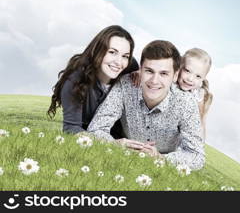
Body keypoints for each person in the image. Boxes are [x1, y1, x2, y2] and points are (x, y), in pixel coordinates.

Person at [87, 40, 205, 170]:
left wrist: (161, 158)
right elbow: (96, 128)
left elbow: (197, 156)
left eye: (164, 73)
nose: (154, 81)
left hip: (162, 162)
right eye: (149, 71)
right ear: (140, 70)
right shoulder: (126, 85)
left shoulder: (187, 103)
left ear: (175, 76)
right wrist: (115, 144)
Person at [47, 25, 138, 138]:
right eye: (112, 52)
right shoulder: (75, 80)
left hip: (120, 135)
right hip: (92, 137)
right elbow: (71, 128)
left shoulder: (131, 67)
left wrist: (141, 74)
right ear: (98, 50)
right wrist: (112, 144)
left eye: (125, 56)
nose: (119, 62)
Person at [177, 48, 213, 140]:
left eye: (198, 76)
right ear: (180, 67)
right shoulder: (171, 79)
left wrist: (200, 144)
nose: (190, 78)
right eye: (187, 71)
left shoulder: (198, 94)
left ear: (203, 79)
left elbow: (201, 122)